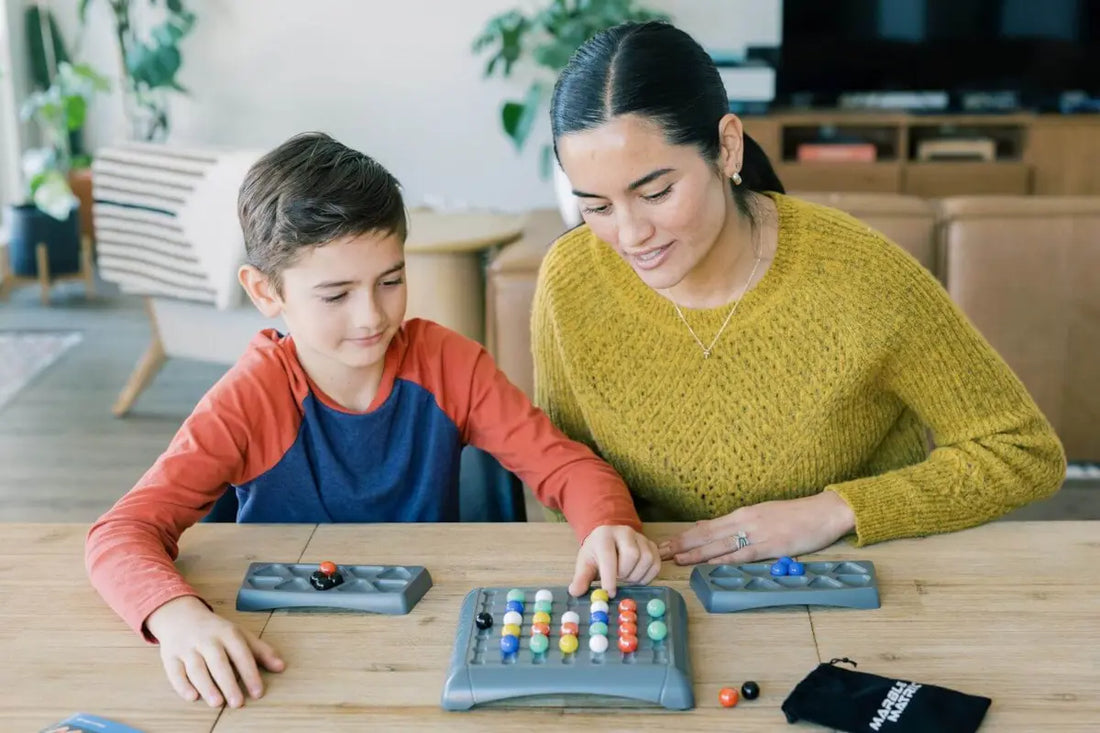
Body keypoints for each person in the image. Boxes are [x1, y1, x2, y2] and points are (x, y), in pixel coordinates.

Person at [85, 132, 660, 709]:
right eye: (335, 295)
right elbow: (119, 534)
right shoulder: (249, 397)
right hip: (283, 652)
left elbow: (567, 467)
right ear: (265, 291)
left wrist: (605, 523)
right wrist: (178, 619)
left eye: (390, 281)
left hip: (428, 639)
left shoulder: (448, 364)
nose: (372, 317)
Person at [534, 22, 1065, 568]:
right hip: (658, 598)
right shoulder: (570, 279)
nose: (629, 234)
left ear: (727, 148)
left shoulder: (862, 275)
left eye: (657, 192)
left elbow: (1021, 450)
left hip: (849, 586)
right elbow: (566, 463)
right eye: (596, 207)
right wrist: (605, 528)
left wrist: (833, 511)